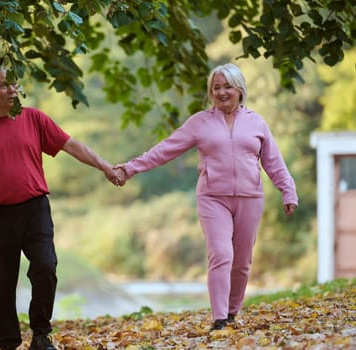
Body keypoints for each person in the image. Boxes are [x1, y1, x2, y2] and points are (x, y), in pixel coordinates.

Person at [113, 63, 298, 331]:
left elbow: (273, 162)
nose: (222, 92)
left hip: (250, 197)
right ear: (211, 92)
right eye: (216, 88)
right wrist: (130, 169)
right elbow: (166, 149)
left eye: (227, 87)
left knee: (242, 262)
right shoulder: (200, 122)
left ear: (240, 89)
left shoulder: (256, 122)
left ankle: (233, 312)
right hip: (213, 198)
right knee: (221, 254)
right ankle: (220, 318)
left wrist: (288, 190)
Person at [0, 67, 120, 350]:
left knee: (45, 266)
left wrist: (104, 165)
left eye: (15, 84)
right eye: (4, 85)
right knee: (2, 282)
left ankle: (41, 334)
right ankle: (7, 342)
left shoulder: (34, 119)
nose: (12, 90)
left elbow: (70, 144)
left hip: (35, 209)